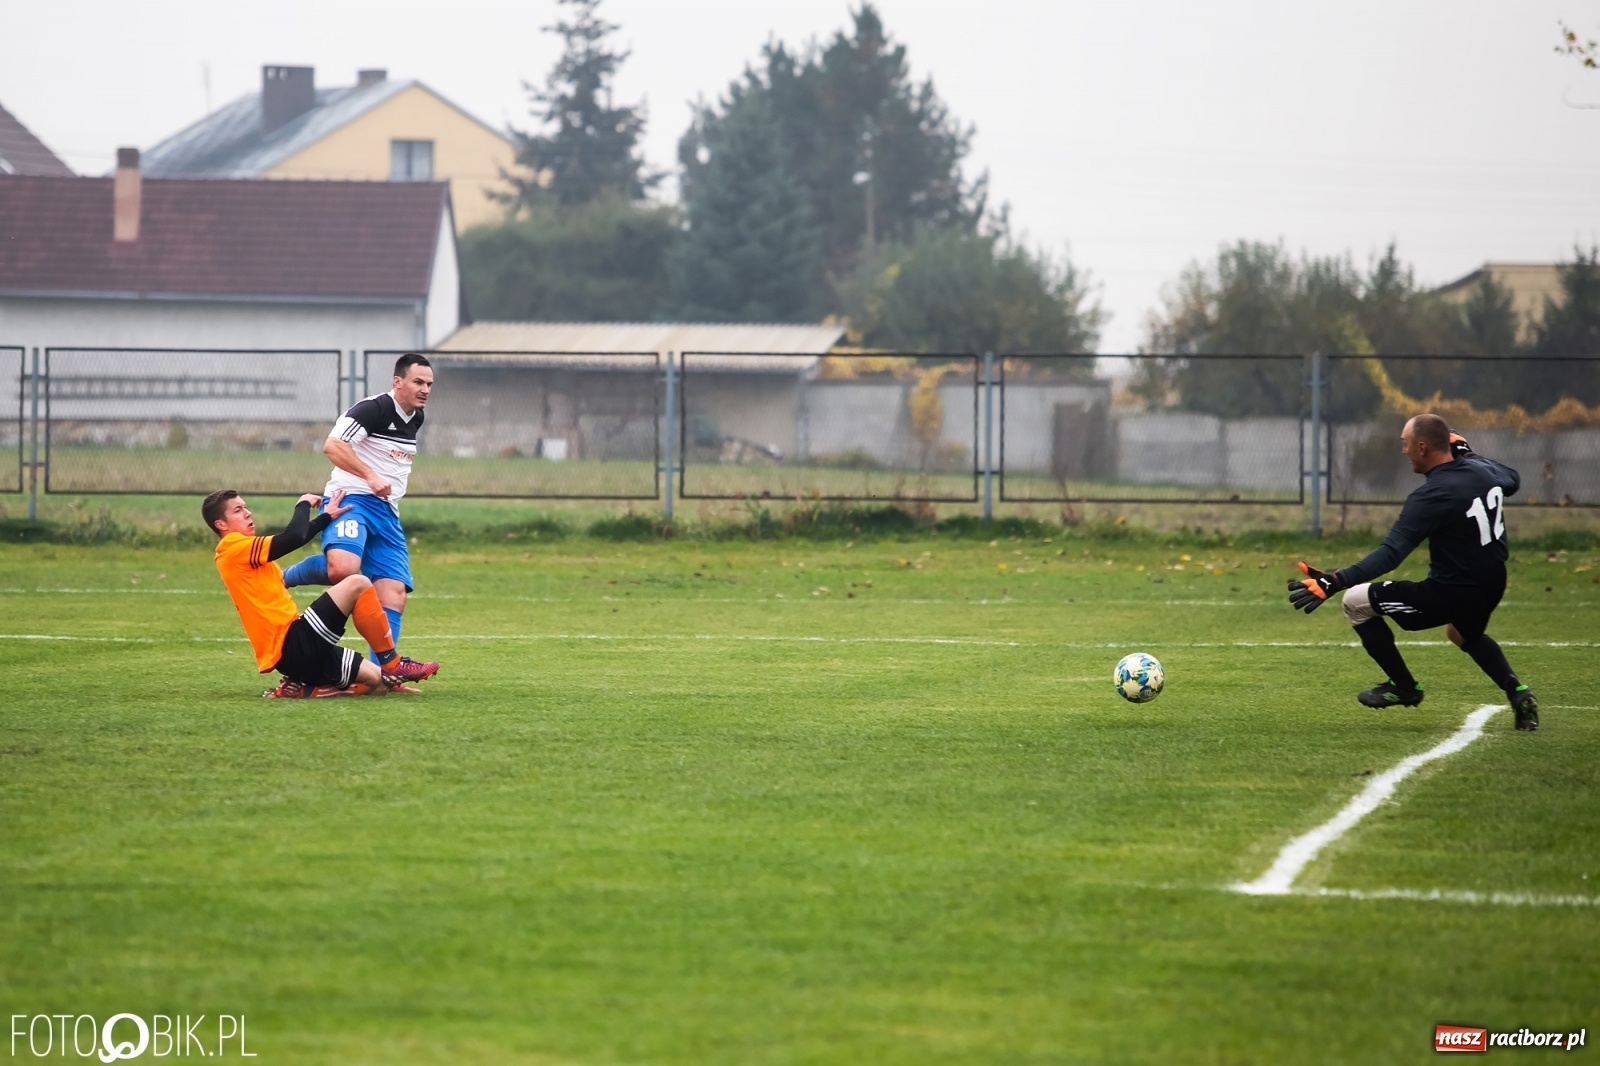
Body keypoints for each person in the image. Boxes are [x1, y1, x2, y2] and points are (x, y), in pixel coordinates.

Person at [1287, 412, 1539, 731]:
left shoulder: (1432, 494)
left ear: (1422, 447)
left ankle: (1404, 687)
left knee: (1354, 602)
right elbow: (1512, 479)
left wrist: (1335, 580)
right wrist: (1470, 454)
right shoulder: (1480, 470)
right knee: (1462, 633)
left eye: (1405, 444)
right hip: (1491, 585)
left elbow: (1391, 553)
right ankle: (1518, 692)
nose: (1403, 450)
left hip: (1450, 593)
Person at [205, 488, 440, 698]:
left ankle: (305, 689)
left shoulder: (243, 553)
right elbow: (293, 537)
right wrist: (303, 503)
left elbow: (295, 538)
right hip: (292, 643)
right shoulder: (232, 547)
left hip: (298, 658)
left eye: (245, 507)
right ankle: (392, 663)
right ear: (221, 525)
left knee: (378, 685)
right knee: (358, 583)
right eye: (238, 510)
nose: (247, 513)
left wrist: (327, 517)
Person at [282, 353, 433, 668]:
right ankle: (282, 577)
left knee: (393, 594)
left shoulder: (416, 417)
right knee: (342, 569)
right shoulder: (373, 409)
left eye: (429, 384)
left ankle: (382, 674)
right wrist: (370, 476)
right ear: (398, 382)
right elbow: (333, 446)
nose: (425, 389)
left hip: (386, 513)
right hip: (352, 499)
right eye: (418, 382)